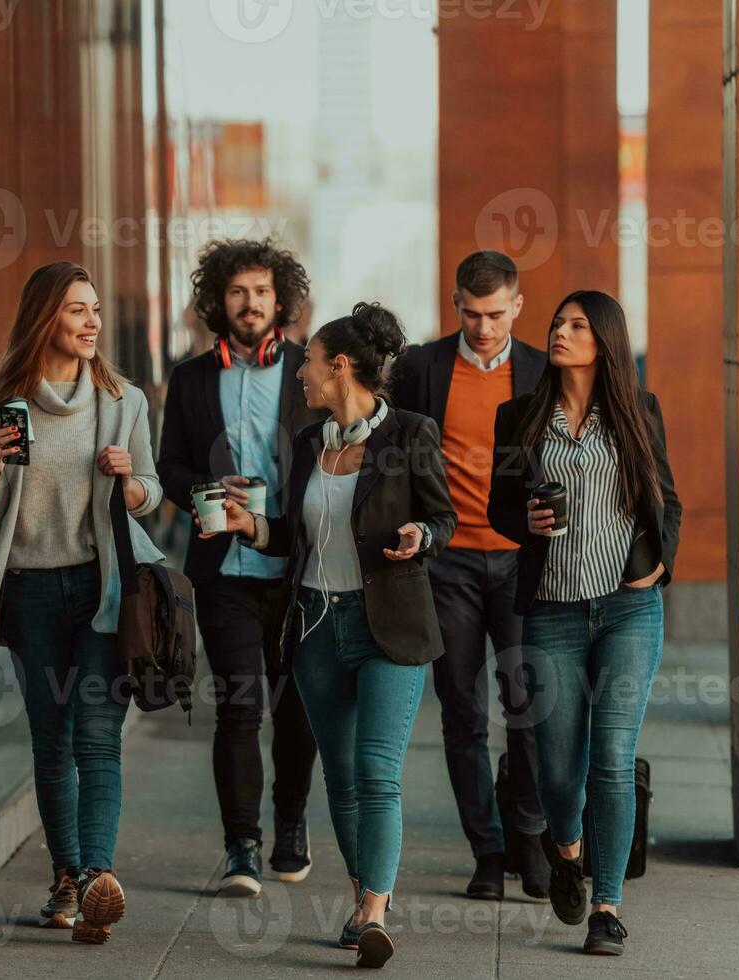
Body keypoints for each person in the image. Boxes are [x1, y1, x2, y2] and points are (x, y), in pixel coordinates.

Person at [209, 302, 456, 969]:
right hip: (317, 626)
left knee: (377, 774)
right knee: (342, 781)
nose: (301, 378)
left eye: (310, 365)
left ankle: (376, 911)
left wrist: (421, 536)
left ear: (339, 367)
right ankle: (359, 900)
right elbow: (296, 538)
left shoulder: (410, 434)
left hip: (389, 626)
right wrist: (249, 527)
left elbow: (444, 516)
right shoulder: (308, 443)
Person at [0, 261, 164, 945]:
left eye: (96, 309)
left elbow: (151, 496)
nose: (93, 322)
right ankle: (67, 877)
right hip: (29, 592)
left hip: (102, 589)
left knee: (98, 738)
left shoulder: (122, 401)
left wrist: (129, 480)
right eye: (78, 310)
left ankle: (100, 879)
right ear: (46, 317)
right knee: (52, 743)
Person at [488, 290, 681, 957]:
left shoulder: (639, 412)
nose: (560, 332)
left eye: (576, 325)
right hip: (552, 609)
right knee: (559, 769)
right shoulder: (518, 417)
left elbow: (669, 499)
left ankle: (606, 906)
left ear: (604, 338)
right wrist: (528, 522)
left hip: (628, 608)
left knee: (614, 757)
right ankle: (566, 849)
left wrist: (660, 567)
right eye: (557, 323)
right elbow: (500, 510)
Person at [156, 238, 323, 895]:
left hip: (296, 571)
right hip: (222, 572)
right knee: (239, 707)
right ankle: (242, 848)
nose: (249, 303)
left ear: (280, 299)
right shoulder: (191, 378)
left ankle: (290, 826)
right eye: (236, 292)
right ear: (216, 302)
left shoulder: (309, 371)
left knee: (297, 711)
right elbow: (168, 465)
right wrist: (206, 498)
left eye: (260, 291)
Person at [388, 251, 551, 898]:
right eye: (471, 312)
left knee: (527, 706)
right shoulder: (423, 368)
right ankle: (486, 849)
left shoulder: (540, 370)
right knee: (461, 710)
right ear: (456, 303)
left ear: (517, 306)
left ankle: (530, 836)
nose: (483, 327)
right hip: (447, 563)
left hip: (519, 562)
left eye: (495, 313)